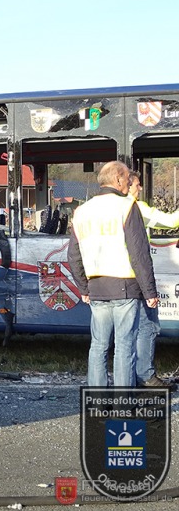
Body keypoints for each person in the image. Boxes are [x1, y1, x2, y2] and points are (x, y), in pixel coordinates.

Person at [67, 161, 159, 388]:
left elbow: (73, 255)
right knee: (124, 346)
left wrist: (83, 288)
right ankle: (123, 400)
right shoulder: (126, 206)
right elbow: (139, 253)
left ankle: (97, 398)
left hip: (96, 287)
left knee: (98, 346)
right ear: (118, 179)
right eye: (127, 178)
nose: (130, 182)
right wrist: (150, 292)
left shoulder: (82, 211)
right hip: (124, 287)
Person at [128, 172, 178, 388]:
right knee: (148, 325)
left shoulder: (106, 209)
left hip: (116, 279)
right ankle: (145, 376)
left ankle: (128, 379)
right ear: (126, 184)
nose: (140, 189)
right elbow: (171, 221)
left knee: (125, 332)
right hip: (138, 277)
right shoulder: (137, 208)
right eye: (137, 185)